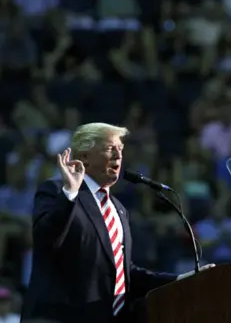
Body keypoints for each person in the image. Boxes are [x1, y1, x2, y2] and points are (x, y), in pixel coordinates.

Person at [21, 123, 214, 323]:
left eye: (120, 149)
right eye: (109, 148)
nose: (118, 156)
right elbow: (45, 239)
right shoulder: (57, 191)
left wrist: (181, 280)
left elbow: (124, 272)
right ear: (84, 157)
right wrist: (69, 193)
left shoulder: (118, 209)